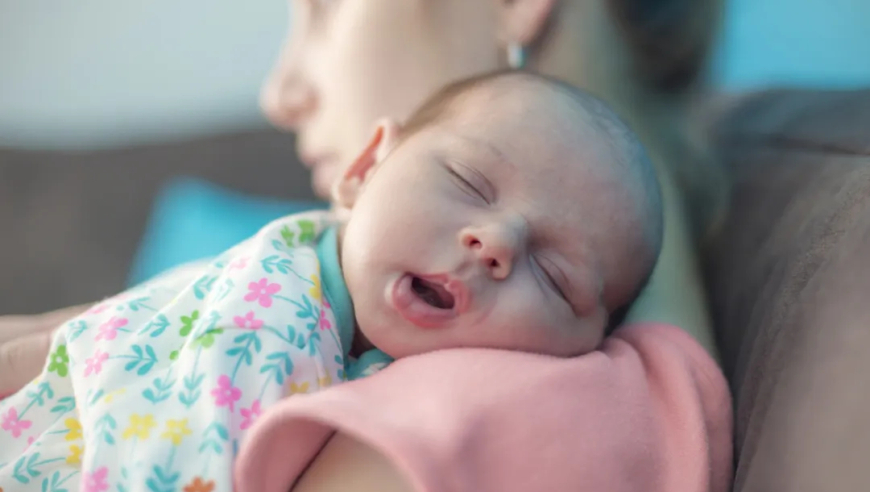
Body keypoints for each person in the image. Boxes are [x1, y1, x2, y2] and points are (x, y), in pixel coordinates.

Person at [0, 1, 728, 490]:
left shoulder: (559, 397)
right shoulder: (324, 277)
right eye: (469, 182)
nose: (280, 92)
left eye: (323, 8)